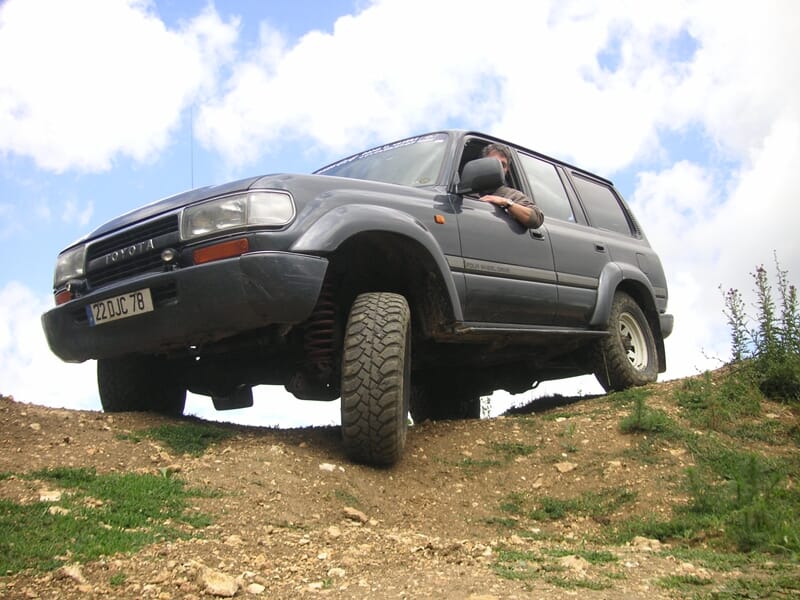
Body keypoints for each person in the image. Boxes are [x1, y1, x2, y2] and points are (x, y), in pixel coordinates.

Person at [479, 143, 544, 229]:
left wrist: (506, 202)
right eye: (493, 162)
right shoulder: (464, 189)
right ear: (481, 164)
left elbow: (536, 219)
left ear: (507, 170)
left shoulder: (512, 195)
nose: (498, 168)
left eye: (503, 165)